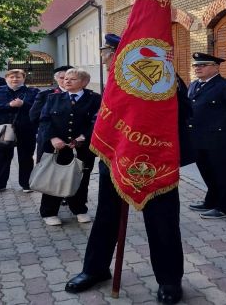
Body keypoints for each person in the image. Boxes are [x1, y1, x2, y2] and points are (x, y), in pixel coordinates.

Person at [65, 37, 189, 304]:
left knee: (163, 223)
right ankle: (95, 270)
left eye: (106, 52)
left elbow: (183, 113)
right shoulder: (114, 79)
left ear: (120, 52)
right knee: (106, 217)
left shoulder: (162, 76)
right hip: (115, 156)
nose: (103, 57)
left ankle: (169, 279)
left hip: (154, 160)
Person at [186, 52, 226, 219]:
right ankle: (211, 201)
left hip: (222, 140)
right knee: (208, 172)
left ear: (216, 67)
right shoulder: (194, 85)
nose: (198, 68)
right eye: (196, 65)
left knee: (225, 174)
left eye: (203, 65)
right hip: (200, 138)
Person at [37, 68, 101, 226]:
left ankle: (79, 209)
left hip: (83, 147)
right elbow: (45, 120)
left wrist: (84, 136)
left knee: (81, 178)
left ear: (84, 82)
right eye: (65, 78)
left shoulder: (94, 98)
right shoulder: (54, 98)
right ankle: (49, 212)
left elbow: (98, 120)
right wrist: (53, 138)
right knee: (55, 177)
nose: (67, 81)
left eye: (72, 79)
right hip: (57, 147)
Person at [0, 69, 39, 193]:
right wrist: (9, 106)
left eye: (18, 77)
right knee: (2, 157)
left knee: (26, 157)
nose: (15, 79)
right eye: (12, 77)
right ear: (6, 78)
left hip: (26, 129)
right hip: (3, 129)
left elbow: (38, 109)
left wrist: (23, 105)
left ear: (24, 78)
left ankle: (26, 183)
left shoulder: (33, 92)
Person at [29, 65, 74, 160]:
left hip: (73, 142)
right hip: (49, 141)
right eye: (62, 78)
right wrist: (51, 136)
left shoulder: (84, 95)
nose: (66, 81)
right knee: (47, 172)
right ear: (56, 79)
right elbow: (35, 117)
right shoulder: (45, 95)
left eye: (71, 78)